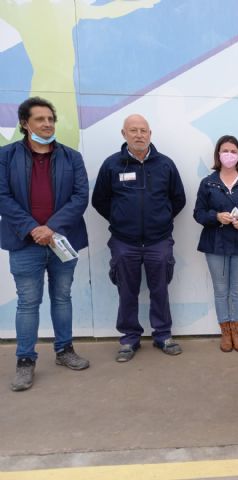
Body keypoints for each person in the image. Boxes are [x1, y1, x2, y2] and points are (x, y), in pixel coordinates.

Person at [0, 97, 90, 392]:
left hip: (62, 239)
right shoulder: (6, 156)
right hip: (24, 242)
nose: (47, 124)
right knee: (28, 302)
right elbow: (2, 197)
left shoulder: (71, 157)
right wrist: (32, 229)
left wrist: (51, 228)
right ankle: (25, 360)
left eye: (50, 119)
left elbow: (80, 197)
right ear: (24, 123)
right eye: (40, 119)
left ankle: (64, 350)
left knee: (62, 297)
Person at [92, 114, 186, 362]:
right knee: (127, 291)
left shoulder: (165, 165)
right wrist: (120, 219)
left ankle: (163, 335)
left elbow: (178, 199)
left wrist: (160, 220)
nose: (139, 135)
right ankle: (129, 338)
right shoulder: (112, 165)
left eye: (143, 130)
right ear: (124, 134)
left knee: (160, 290)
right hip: (124, 242)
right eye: (133, 130)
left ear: (150, 134)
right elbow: (99, 200)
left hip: (158, 240)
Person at [193, 135, 238, 352]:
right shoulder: (208, 182)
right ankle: (225, 332)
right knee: (220, 290)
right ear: (218, 154)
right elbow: (198, 213)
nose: (229, 155)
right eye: (225, 151)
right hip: (215, 244)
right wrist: (215, 216)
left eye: (233, 151)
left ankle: (236, 331)